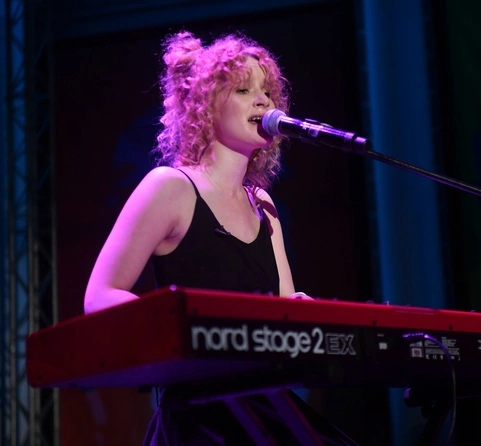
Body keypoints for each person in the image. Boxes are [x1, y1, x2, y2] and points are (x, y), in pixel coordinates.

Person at [83, 30, 355, 445]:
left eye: (267, 92)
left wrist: (300, 311)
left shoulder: (263, 204)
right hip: (201, 417)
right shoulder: (170, 187)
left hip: (268, 408)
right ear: (206, 106)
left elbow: (284, 311)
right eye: (244, 90)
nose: (263, 101)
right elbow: (100, 295)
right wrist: (189, 331)